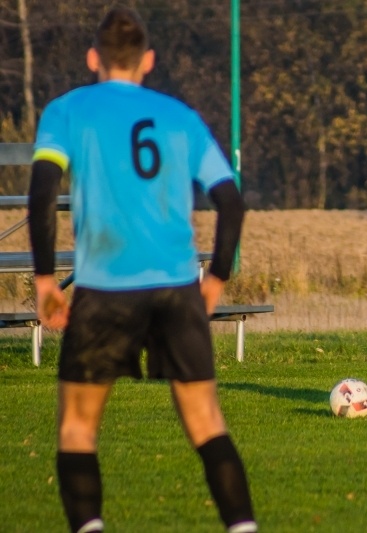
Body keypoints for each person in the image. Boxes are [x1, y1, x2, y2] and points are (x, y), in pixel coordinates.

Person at [28, 7, 257, 532]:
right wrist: (216, 279)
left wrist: (43, 281)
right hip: (176, 289)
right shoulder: (181, 117)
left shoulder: (66, 111)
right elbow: (231, 202)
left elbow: (42, 195)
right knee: (207, 424)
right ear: (148, 61)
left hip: (104, 289)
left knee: (78, 429)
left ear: (93, 58)